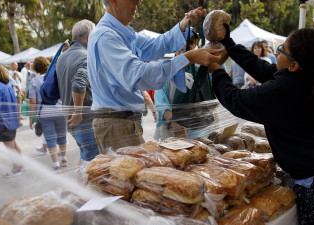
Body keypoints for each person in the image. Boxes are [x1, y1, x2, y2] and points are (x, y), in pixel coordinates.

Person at [205, 25, 314, 225]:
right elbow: (262, 68)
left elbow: (236, 100)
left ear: (293, 65)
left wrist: (215, 69)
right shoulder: (308, 75)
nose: (277, 52)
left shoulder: (284, 91)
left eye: (282, 49)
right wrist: (229, 44)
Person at [87, 1, 223, 154]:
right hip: (117, 124)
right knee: (131, 174)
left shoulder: (122, 33)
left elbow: (157, 44)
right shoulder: (107, 36)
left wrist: (183, 25)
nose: (138, 2)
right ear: (114, 2)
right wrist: (189, 58)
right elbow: (139, 75)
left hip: (122, 122)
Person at [56, 19, 99, 162]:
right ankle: (82, 184)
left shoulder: (62, 58)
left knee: (85, 158)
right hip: (84, 120)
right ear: (89, 37)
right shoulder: (86, 56)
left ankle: (81, 183)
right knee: (94, 166)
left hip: (71, 120)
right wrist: (78, 111)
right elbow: (78, 83)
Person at [30, 56, 68, 172]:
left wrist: (32, 118)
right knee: (62, 135)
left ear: (35, 68)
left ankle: (56, 164)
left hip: (45, 112)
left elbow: (33, 101)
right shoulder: (55, 76)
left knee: (50, 138)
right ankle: (64, 159)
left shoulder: (34, 81)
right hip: (60, 110)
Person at [0, 63, 22, 177]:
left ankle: (16, 169)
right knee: (14, 144)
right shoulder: (7, 85)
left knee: (10, 147)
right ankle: (20, 164)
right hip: (11, 120)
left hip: (3, 122)